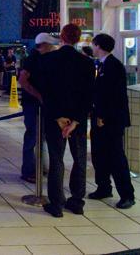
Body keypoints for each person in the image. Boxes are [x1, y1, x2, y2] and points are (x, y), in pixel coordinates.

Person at [39, 24, 95, 217]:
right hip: (77, 120)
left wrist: (58, 117)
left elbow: (45, 91)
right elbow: (89, 95)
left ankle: (56, 203)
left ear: (62, 37)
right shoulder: (87, 63)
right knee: (79, 160)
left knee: (57, 159)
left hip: (55, 118)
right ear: (78, 39)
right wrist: (76, 121)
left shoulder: (48, 60)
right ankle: (77, 201)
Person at [89, 33, 135, 209]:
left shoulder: (113, 66)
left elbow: (114, 96)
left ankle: (127, 195)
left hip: (111, 120)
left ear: (99, 46)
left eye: (94, 45)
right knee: (99, 155)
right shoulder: (101, 65)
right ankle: (103, 187)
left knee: (116, 158)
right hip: (100, 118)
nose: (92, 48)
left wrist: (103, 116)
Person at [18, 33, 57, 183]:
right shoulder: (32, 59)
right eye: (51, 45)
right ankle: (29, 170)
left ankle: (41, 166)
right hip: (33, 105)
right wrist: (38, 96)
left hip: (39, 104)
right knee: (32, 136)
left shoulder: (43, 59)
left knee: (41, 136)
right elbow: (23, 80)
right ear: (45, 45)